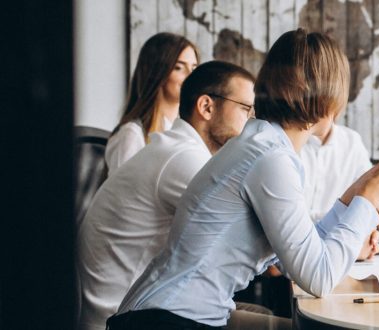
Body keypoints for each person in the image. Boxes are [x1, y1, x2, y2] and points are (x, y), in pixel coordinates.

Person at [108, 29, 379, 329]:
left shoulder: (264, 144)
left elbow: (299, 253)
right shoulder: (269, 158)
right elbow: (318, 277)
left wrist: (355, 194)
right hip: (167, 321)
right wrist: (368, 199)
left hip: (169, 313)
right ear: (327, 99)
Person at [75, 61, 255, 330]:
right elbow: (247, 235)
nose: (252, 122)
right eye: (245, 109)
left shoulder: (175, 149)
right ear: (206, 107)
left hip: (140, 308)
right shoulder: (183, 159)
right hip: (123, 317)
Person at [106, 33, 199, 175]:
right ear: (157, 72)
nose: (191, 76)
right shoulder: (131, 135)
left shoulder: (188, 133)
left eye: (194, 68)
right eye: (179, 68)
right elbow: (120, 196)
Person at [302, 113, 379, 233]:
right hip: (306, 240)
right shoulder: (291, 142)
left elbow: (372, 183)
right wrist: (357, 215)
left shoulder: (351, 140)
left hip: (343, 236)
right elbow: (294, 220)